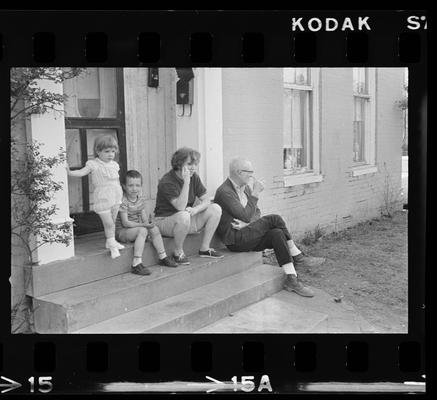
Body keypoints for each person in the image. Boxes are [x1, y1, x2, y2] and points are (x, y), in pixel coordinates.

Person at [214, 157, 326, 297]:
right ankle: (298, 256)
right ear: (238, 172)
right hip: (235, 240)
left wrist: (248, 224)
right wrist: (256, 193)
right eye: (249, 172)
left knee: (277, 233)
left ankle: (291, 279)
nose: (252, 175)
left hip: (247, 234)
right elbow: (245, 215)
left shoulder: (245, 188)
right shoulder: (225, 192)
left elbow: (256, 213)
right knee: (275, 219)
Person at [154, 147, 224, 265]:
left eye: (195, 164)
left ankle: (205, 249)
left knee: (216, 208)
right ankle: (178, 252)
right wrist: (186, 182)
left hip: (185, 220)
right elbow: (180, 207)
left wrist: (196, 209)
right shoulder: (167, 181)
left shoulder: (194, 177)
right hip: (164, 222)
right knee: (184, 215)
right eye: (190, 164)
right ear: (179, 163)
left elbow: (206, 199)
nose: (193, 167)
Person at [67, 134, 124, 259]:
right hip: (103, 197)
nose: (110, 154)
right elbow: (82, 172)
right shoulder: (94, 164)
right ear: (98, 151)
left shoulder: (114, 165)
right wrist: (70, 172)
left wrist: (119, 194)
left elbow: (116, 182)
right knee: (108, 223)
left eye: (113, 151)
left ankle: (110, 241)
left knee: (113, 221)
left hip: (115, 195)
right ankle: (112, 246)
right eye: (107, 151)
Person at [115, 170, 178, 275]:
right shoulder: (123, 201)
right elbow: (126, 223)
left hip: (136, 229)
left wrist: (149, 223)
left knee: (154, 229)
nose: (134, 189)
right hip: (123, 232)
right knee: (143, 230)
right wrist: (144, 226)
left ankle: (162, 256)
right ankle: (136, 263)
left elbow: (144, 219)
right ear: (124, 186)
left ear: (141, 186)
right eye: (130, 185)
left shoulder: (140, 199)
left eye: (137, 185)